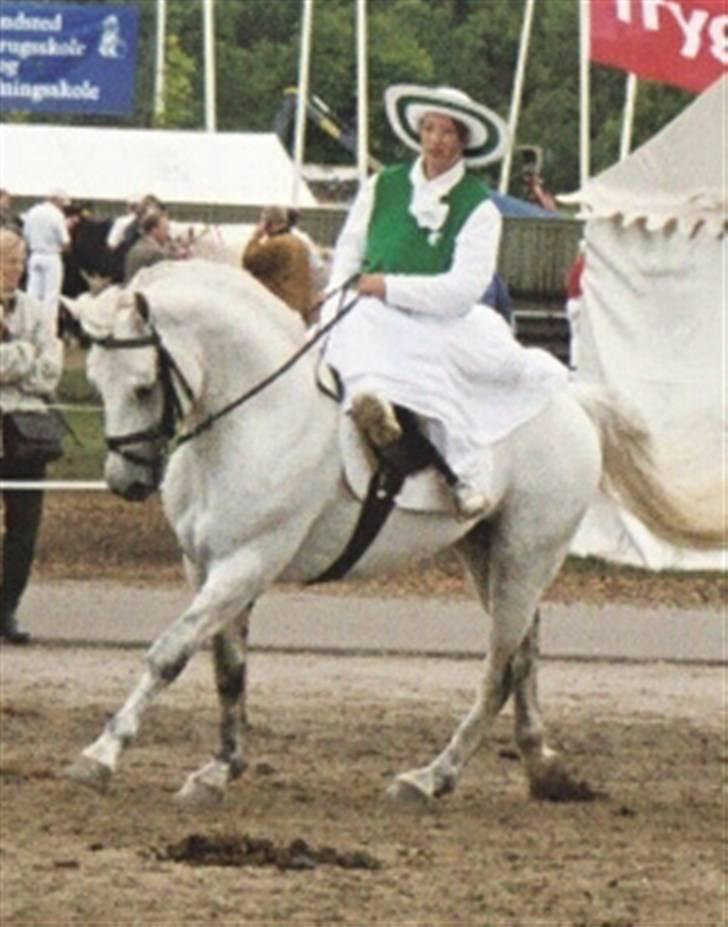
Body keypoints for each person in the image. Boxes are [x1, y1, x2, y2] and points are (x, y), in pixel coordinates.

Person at [321, 84, 568, 519]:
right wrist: (342, 288)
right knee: (340, 329)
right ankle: (362, 404)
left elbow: (463, 289)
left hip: (439, 316)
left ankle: (462, 470)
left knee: (432, 359)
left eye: (448, 132)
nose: (436, 140)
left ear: (462, 142)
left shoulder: (479, 207)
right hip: (368, 306)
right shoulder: (382, 185)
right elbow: (349, 247)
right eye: (430, 129)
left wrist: (388, 287)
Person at [0, 228, 64, 644]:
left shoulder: (38, 311)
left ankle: (6, 608)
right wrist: (26, 354)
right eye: (9, 260)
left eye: (20, 261)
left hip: (27, 434)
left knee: (25, 528)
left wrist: (16, 358)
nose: (17, 269)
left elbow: (50, 371)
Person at [242, 205, 319, 324]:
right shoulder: (300, 243)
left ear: (268, 223)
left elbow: (249, 261)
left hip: (280, 310)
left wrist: (255, 237)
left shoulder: (276, 244)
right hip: (300, 310)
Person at [22, 189, 75, 311]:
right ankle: (48, 326)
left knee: (33, 293)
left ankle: (30, 322)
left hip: (35, 255)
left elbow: (26, 235)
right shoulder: (57, 215)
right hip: (51, 257)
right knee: (51, 296)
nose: (63, 208)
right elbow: (66, 242)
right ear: (57, 201)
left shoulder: (32, 212)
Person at [123, 208, 172, 283]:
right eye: (165, 229)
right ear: (154, 230)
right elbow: (162, 283)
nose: (168, 234)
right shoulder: (156, 253)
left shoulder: (136, 246)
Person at [564, 241, 586, 371]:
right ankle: (580, 364)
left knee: (575, 336)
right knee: (583, 336)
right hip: (581, 302)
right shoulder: (587, 268)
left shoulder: (575, 267)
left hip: (572, 302)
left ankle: (574, 363)